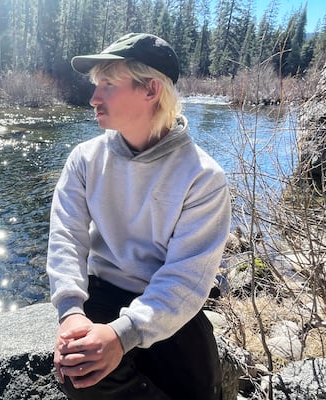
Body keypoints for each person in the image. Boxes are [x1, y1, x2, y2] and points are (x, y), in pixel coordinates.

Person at [46, 32, 231, 400]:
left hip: (167, 304)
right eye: (97, 86)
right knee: (78, 372)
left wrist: (122, 335)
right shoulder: (85, 159)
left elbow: (184, 279)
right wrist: (71, 313)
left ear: (150, 90)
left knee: (199, 389)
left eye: (108, 86)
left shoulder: (203, 177)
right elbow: (66, 236)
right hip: (103, 294)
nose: (94, 99)